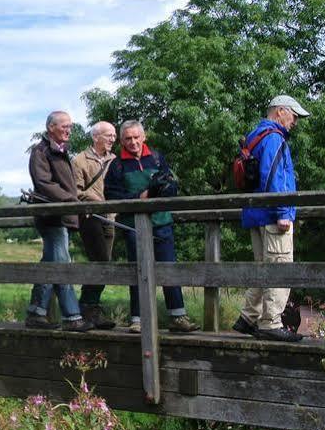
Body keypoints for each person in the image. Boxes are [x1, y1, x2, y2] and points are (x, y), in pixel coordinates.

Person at [104, 120, 199, 333]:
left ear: (143, 136)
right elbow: (111, 196)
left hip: (161, 222)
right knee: (137, 271)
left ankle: (178, 317)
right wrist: (142, 196)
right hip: (132, 227)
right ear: (121, 140)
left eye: (136, 137)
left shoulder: (157, 158)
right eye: (128, 138)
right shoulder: (117, 166)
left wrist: (166, 189)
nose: (133, 142)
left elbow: (171, 184)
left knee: (169, 269)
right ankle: (138, 319)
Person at [235, 95, 310, 342]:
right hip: (273, 216)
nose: (295, 121)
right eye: (294, 115)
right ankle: (270, 323)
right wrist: (283, 213)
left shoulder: (255, 136)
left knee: (263, 268)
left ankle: (247, 318)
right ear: (280, 111)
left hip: (256, 215)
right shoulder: (275, 138)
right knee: (279, 269)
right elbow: (274, 177)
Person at [25, 112, 93, 332]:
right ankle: (72, 316)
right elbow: (44, 183)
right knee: (62, 265)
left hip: (61, 215)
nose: (68, 130)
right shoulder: (41, 151)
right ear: (51, 127)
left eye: (70, 126)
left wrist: (74, 202)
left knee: (50, 263)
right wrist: (71, 200)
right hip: (52, 217)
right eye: (64, 126)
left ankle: (36, 312)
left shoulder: (60, 151)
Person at [71, 121, 118, 330]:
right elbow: (76, 192)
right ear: (95, 136)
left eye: (114, 135)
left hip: (111, 217)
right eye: (108, 135)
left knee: (105, 265)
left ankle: (91, 307)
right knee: (100, 261)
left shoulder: (115, 161)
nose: (112, 139)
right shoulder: (80, 160)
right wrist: (95, 201)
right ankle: (87, 307)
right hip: (90, 218)